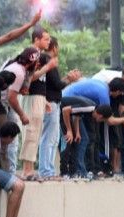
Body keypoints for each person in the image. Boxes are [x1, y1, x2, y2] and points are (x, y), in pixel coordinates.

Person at [0, 47, 41, 173]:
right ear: (32, 61)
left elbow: (24, 90)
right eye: (37, 62)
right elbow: (12, 98)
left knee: (8, 140)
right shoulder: (19, 72)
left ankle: (6, 172)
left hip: (2, 105)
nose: (38, 64)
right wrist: (22, 115)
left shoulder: (20, 68)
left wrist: (32, 72)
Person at [38, 37, 80, 180]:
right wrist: (69, 79)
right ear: (54, 47)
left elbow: (55, 84)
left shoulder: (46, 61)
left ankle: (48, 169)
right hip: (51, 103)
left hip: (53, 102)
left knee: (53, 138)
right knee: (49, 138)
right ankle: (46, 171)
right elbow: (56, 84)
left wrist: (68, 78)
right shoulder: (48, 61)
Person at [59, 96, 124, 177]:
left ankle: (75, 171)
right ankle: (66, 172)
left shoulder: (92, 109)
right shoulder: (89, 108)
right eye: (102, 120)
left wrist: (77, 132)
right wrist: (69, 130)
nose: (99, 121)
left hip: (68, 114)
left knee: (80, 141)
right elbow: (65, 110)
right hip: (60, 110)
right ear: (100, 116)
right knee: (67, 140)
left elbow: (77, 115)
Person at [19, 28, 57, 180]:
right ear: (36, 39)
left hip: (39, 97)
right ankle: (27, 170)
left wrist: (45, 100)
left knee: (35, 133)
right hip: (31, 97)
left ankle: (29, 169)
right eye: (46, 39)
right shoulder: (31, 53)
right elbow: (28, 78)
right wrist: (47, 67)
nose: (49, 42)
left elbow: (40, 81)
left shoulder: (40, 55)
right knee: (31, 132)